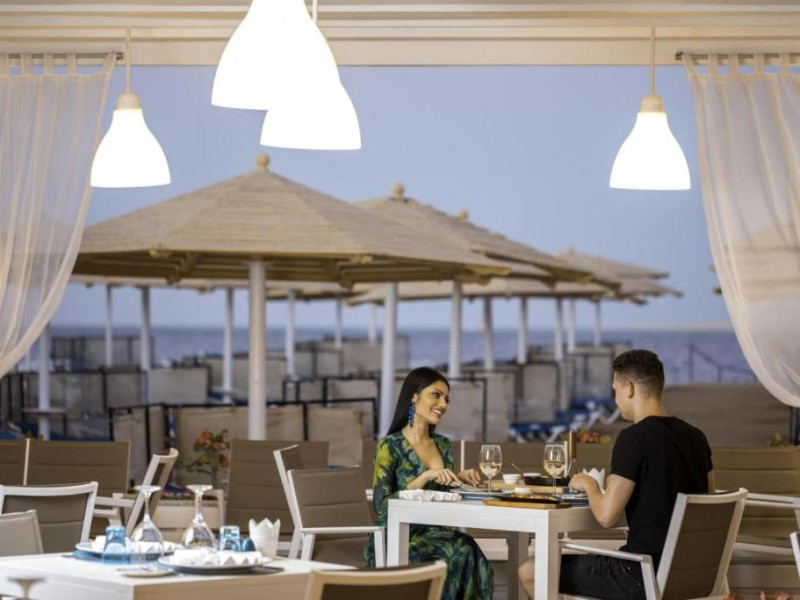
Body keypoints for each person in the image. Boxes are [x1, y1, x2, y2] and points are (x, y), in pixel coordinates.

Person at [518, 350, 714, 600]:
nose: (616, 399)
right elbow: (707, 504)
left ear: (629, 388)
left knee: (531, 571)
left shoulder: (633, 439)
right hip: (692, 576)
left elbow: (606, 516)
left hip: (641, 574)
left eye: (615, 390)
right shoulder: (696, 438)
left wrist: (590, 485)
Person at [364, 367, 494, 600]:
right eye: (436, 395)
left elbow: (442, 496)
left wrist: (459, 479)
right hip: (396, 539)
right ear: (414, 397)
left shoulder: (443, 444)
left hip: (436, 534)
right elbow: (382, 508)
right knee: (459, 550)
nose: (443, 404)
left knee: (467, 550)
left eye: (446, 399)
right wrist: (423, 477)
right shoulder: (389, 446)